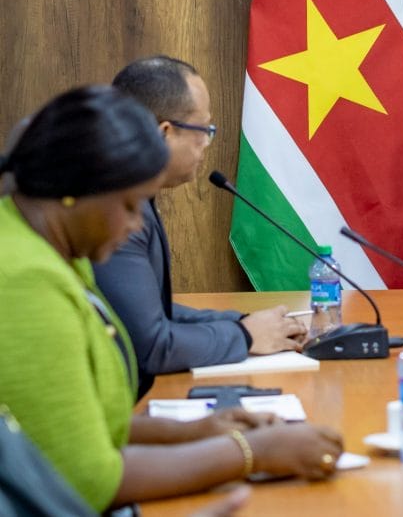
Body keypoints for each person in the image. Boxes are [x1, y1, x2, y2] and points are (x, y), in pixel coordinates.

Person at [0, 85, 342, 512]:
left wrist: (198, 430)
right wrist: (251, 452)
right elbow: (88, 480)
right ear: (75, 191)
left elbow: (65, 428)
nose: (133, 225)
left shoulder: (58, 249)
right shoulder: (24, 279)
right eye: (128, 205)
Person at [95, 56, 305, 399]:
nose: (208, 144)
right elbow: (152, 346)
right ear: (164, 133)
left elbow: (149, 313)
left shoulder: (130, 190)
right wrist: (246, 336)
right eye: (204, 130)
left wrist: (242, 323)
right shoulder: (113, 208)